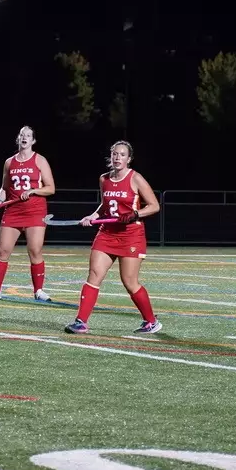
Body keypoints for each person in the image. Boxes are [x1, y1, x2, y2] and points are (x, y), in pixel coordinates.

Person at [64, 140, 162, 334]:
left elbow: (154, 206)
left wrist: (135, 214)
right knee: (94, 275)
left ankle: (151, 321)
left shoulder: (135, 178)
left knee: (129, 282)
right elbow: (105, 205)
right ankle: (81, 322)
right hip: (107, 233)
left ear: (129, 159)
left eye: (122, 154)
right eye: (115, 154)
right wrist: (92, 216)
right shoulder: (104, 179)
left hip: (131, 235)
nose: (118, 157)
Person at [0, 126, 56, 302]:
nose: (24, 137)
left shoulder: (40, 160)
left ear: (33, 140)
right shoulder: (9, 162)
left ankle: (39, 291)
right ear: (18, 138)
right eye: (22, 135)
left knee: (35, 250)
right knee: (3, 250)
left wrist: (33, 191)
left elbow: (50, 188)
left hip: (35, 212)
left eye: (28, 135)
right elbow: (4, 188)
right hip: (13, 212)